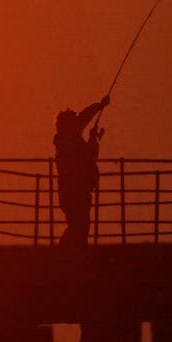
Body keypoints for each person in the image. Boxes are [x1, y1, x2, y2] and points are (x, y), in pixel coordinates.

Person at [53, 95, 110, 246]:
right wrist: (94, 139)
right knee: (79, 225)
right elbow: (88, 157)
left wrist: (99, 105)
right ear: (67, 125)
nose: (77, 124)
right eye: (73, 122)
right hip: (75, 192)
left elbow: (85, 116)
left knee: (79, 225)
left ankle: (67, 252)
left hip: (74, 191)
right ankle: (66, 252)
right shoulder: (69, 142)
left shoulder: (66, 138)